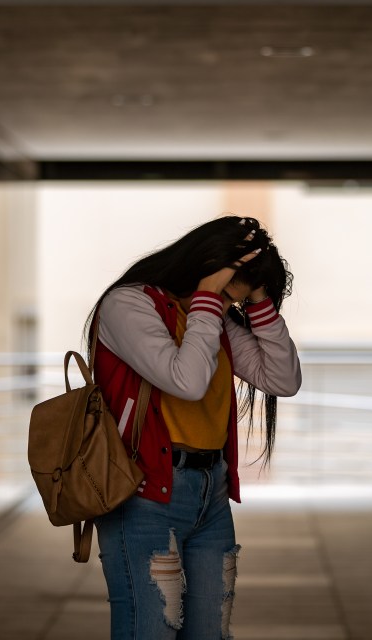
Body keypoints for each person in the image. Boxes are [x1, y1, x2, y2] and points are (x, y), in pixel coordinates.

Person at [83, 215, 302, 639]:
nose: (225, 309)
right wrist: (208, 298)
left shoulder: (210, 318)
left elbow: (282, 380)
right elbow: (187, 380)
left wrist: (257, 302)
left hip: (211, 495)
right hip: (145, 495)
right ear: (203, 269)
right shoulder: (128, 305)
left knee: (210, 633)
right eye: (225, 295)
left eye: (232, 303)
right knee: (151, 631)